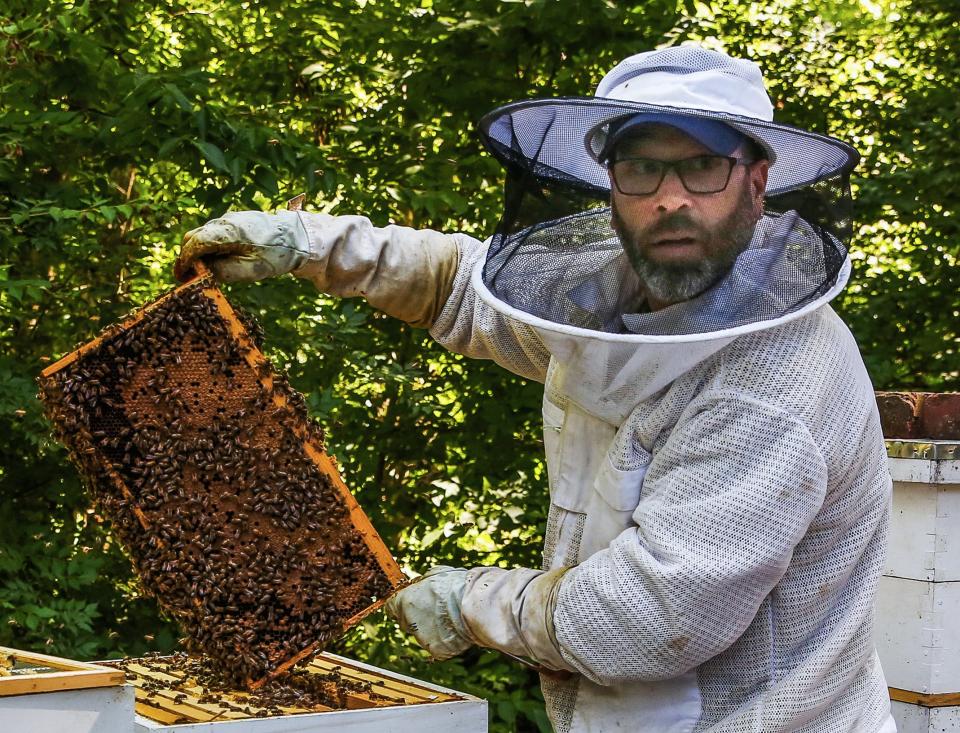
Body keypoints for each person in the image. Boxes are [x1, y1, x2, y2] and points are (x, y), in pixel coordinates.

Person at [175, 46, 895, 733]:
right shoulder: (602, 296)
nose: (670, 199)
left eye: (702, 167)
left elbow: (648, 617)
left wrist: (473, 601)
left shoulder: (774, 384)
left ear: (756, 181)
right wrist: (309, 243)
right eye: (642, 169)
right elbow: (461, 286)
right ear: (612, 182)